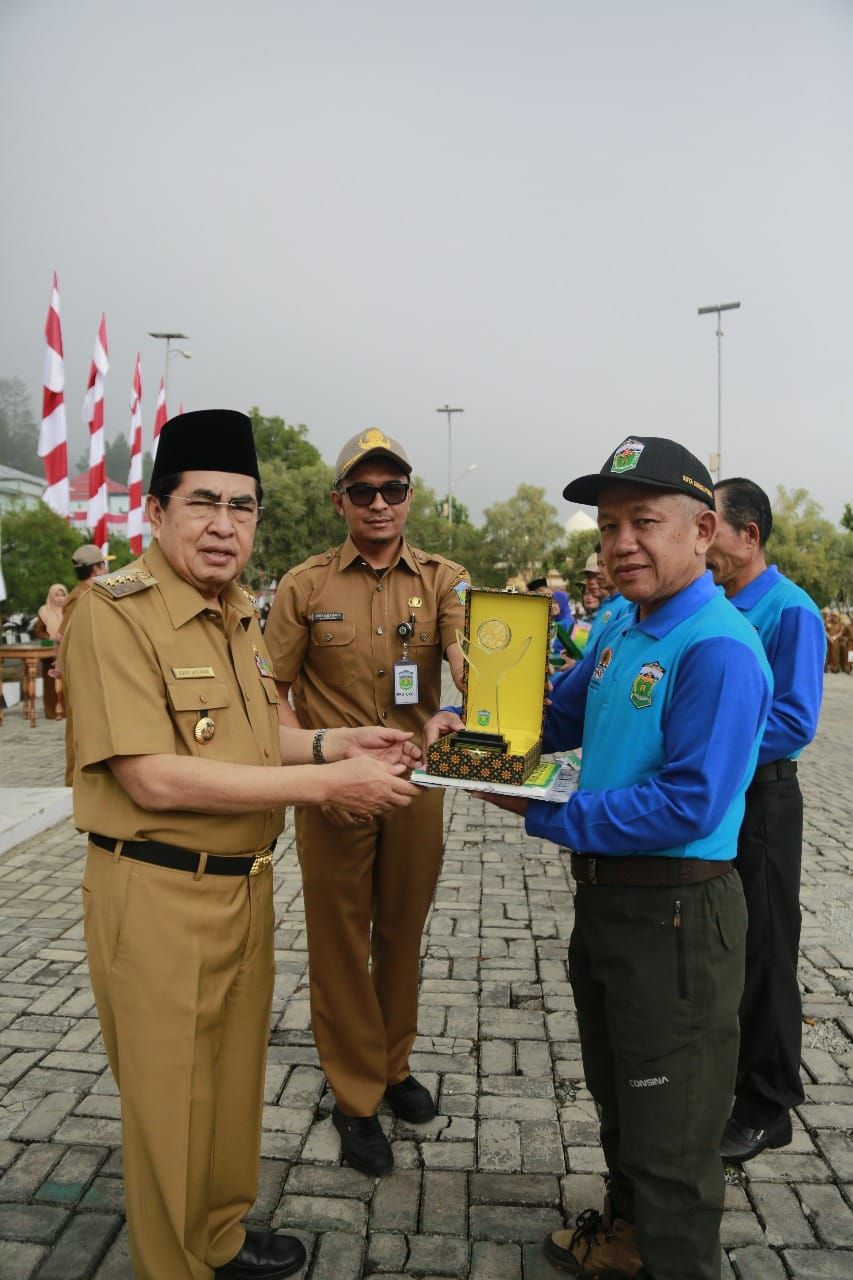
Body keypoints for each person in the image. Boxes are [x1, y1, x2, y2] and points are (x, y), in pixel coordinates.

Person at [60, 410, 421, 1280]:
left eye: (244, 507)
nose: (226, 526)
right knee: (168, 1102)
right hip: (154, 893)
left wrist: (341, 745)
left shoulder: (237, 616)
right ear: (156, 511)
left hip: (240, 887)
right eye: (204, 504)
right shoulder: (113, 615)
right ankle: (173, 1261)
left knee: (225, 1090)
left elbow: (257, 743)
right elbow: (152, 775)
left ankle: (216, 1236)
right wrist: (324, 787)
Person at [427, 436, 772, 1280]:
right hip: (613, 906)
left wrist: (542, 809)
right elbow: (555, 719)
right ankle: (624, 1241)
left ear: (702, 531)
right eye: (608, 524)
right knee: (621, 1097)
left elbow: (687, 803)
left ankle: (671, 1259)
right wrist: (467, 741)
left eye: (643, 522)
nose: (619, 543)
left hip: (678, 916)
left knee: (674, 1136)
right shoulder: (624, 628)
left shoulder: (716, 648)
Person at [264, 428, 468, 1177]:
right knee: (341, 940)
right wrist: (316, 765)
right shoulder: (303, 585)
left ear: (410, 496)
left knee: (402, 931)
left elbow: (463, 649)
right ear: (339, 501)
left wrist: (479, 685)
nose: (378, 503)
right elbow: (270, 692)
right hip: (334, 791)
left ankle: (390, 1062)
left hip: (414, 784)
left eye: (392, 489)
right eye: (362, 491)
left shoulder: (443, 578)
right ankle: (353, 1095)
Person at [708, 477, 824, 1162]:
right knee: (731, 944)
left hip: (764, 802)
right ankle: (730, 1081)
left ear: (747, 536)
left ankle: (766, 1104)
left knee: (767, 952)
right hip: (727, 796)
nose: (700, 543)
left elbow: (793, 719)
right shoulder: (720, 606)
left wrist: (707, 743)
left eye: (709, 527)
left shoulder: (789, 609)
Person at [59, 544, 113, 783]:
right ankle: (73, 778)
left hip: (99, 668)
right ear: (96, 569)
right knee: (78, 725)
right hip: (83, 670)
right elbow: (64, 637)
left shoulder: (96, 592)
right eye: (103, 564)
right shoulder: (79, 597)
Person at [32, 582, 68, 718]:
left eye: (62, 595)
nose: (59, 598)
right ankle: (52, 711)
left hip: (66, 649)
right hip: (50, 651)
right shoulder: (44, 611)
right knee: (50, 682)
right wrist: (51, 637)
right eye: (56, 595)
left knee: (67, 681)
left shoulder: (68, 610)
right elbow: (38, 630)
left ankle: (66, 710)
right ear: (51, 596)